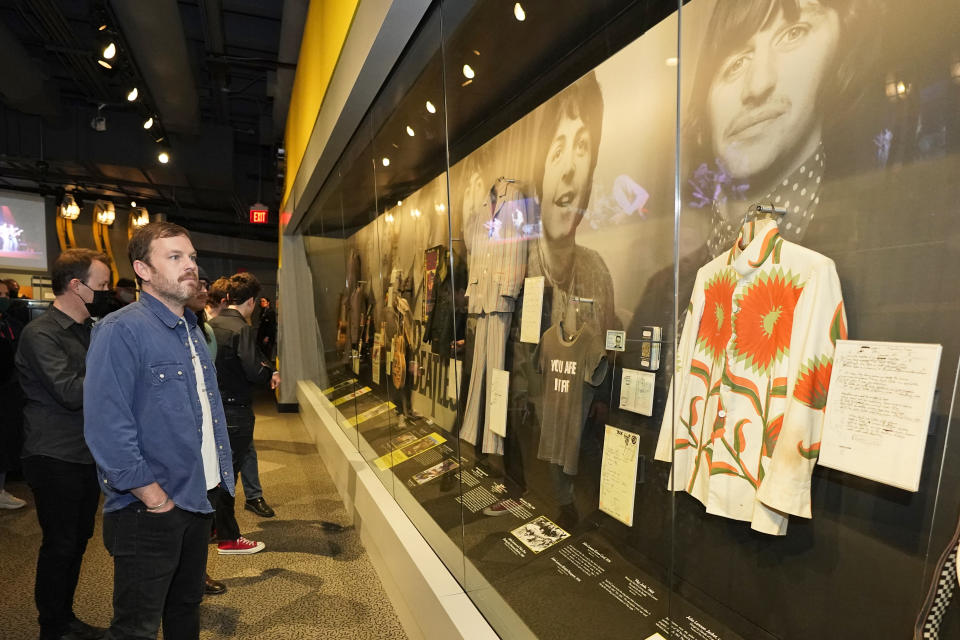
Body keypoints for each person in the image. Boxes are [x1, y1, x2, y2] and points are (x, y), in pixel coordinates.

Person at [84, 222, 236, 639]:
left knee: (186, 609)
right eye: (175, 257)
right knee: (137, 626)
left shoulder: (190, 328)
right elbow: (107, 429)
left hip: (198, 499)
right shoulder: (120, 330)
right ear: (143, 270)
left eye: (191, 257)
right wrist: (155, 500)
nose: (190, 266)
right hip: (149, 509)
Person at [684, 0, 876, 255]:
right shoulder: (665, 286)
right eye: (736, 64)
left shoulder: (886, 243)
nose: (758, 85)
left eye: (793, 34)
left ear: (842, 43)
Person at [15, 249, 111, 640]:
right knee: (61, 543)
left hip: (85, 452)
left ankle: (64, 618)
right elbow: (71, 392)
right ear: (77, 286)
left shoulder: (90, 330)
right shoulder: (41, 334)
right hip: (53, 454)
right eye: (102, 285)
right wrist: (112, 366)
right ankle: (52, 626)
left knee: (78, 540)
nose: (108, 292)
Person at [208, 272, 279, 551]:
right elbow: (253, 371)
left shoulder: (210, 325)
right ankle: (228, 537)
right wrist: (270, 375)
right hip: (235, 410)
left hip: (213, 408)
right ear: (251, 302)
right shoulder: (241, 330)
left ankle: (215, 526)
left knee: (216, 473)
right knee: (228, 476)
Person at [183, 270, 227, 595]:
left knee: (204, 513)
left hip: (209, 438)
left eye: (206, 286)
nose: (203, 290)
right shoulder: (172, 330)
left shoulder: (201, 329)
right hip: (183, 444)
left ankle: (197, 575)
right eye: (198, 285)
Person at [0, 279, 26, 509]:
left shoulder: (12, 324)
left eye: (6, 295)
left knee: (4, 443)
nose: (4, 299)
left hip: (8, 392)